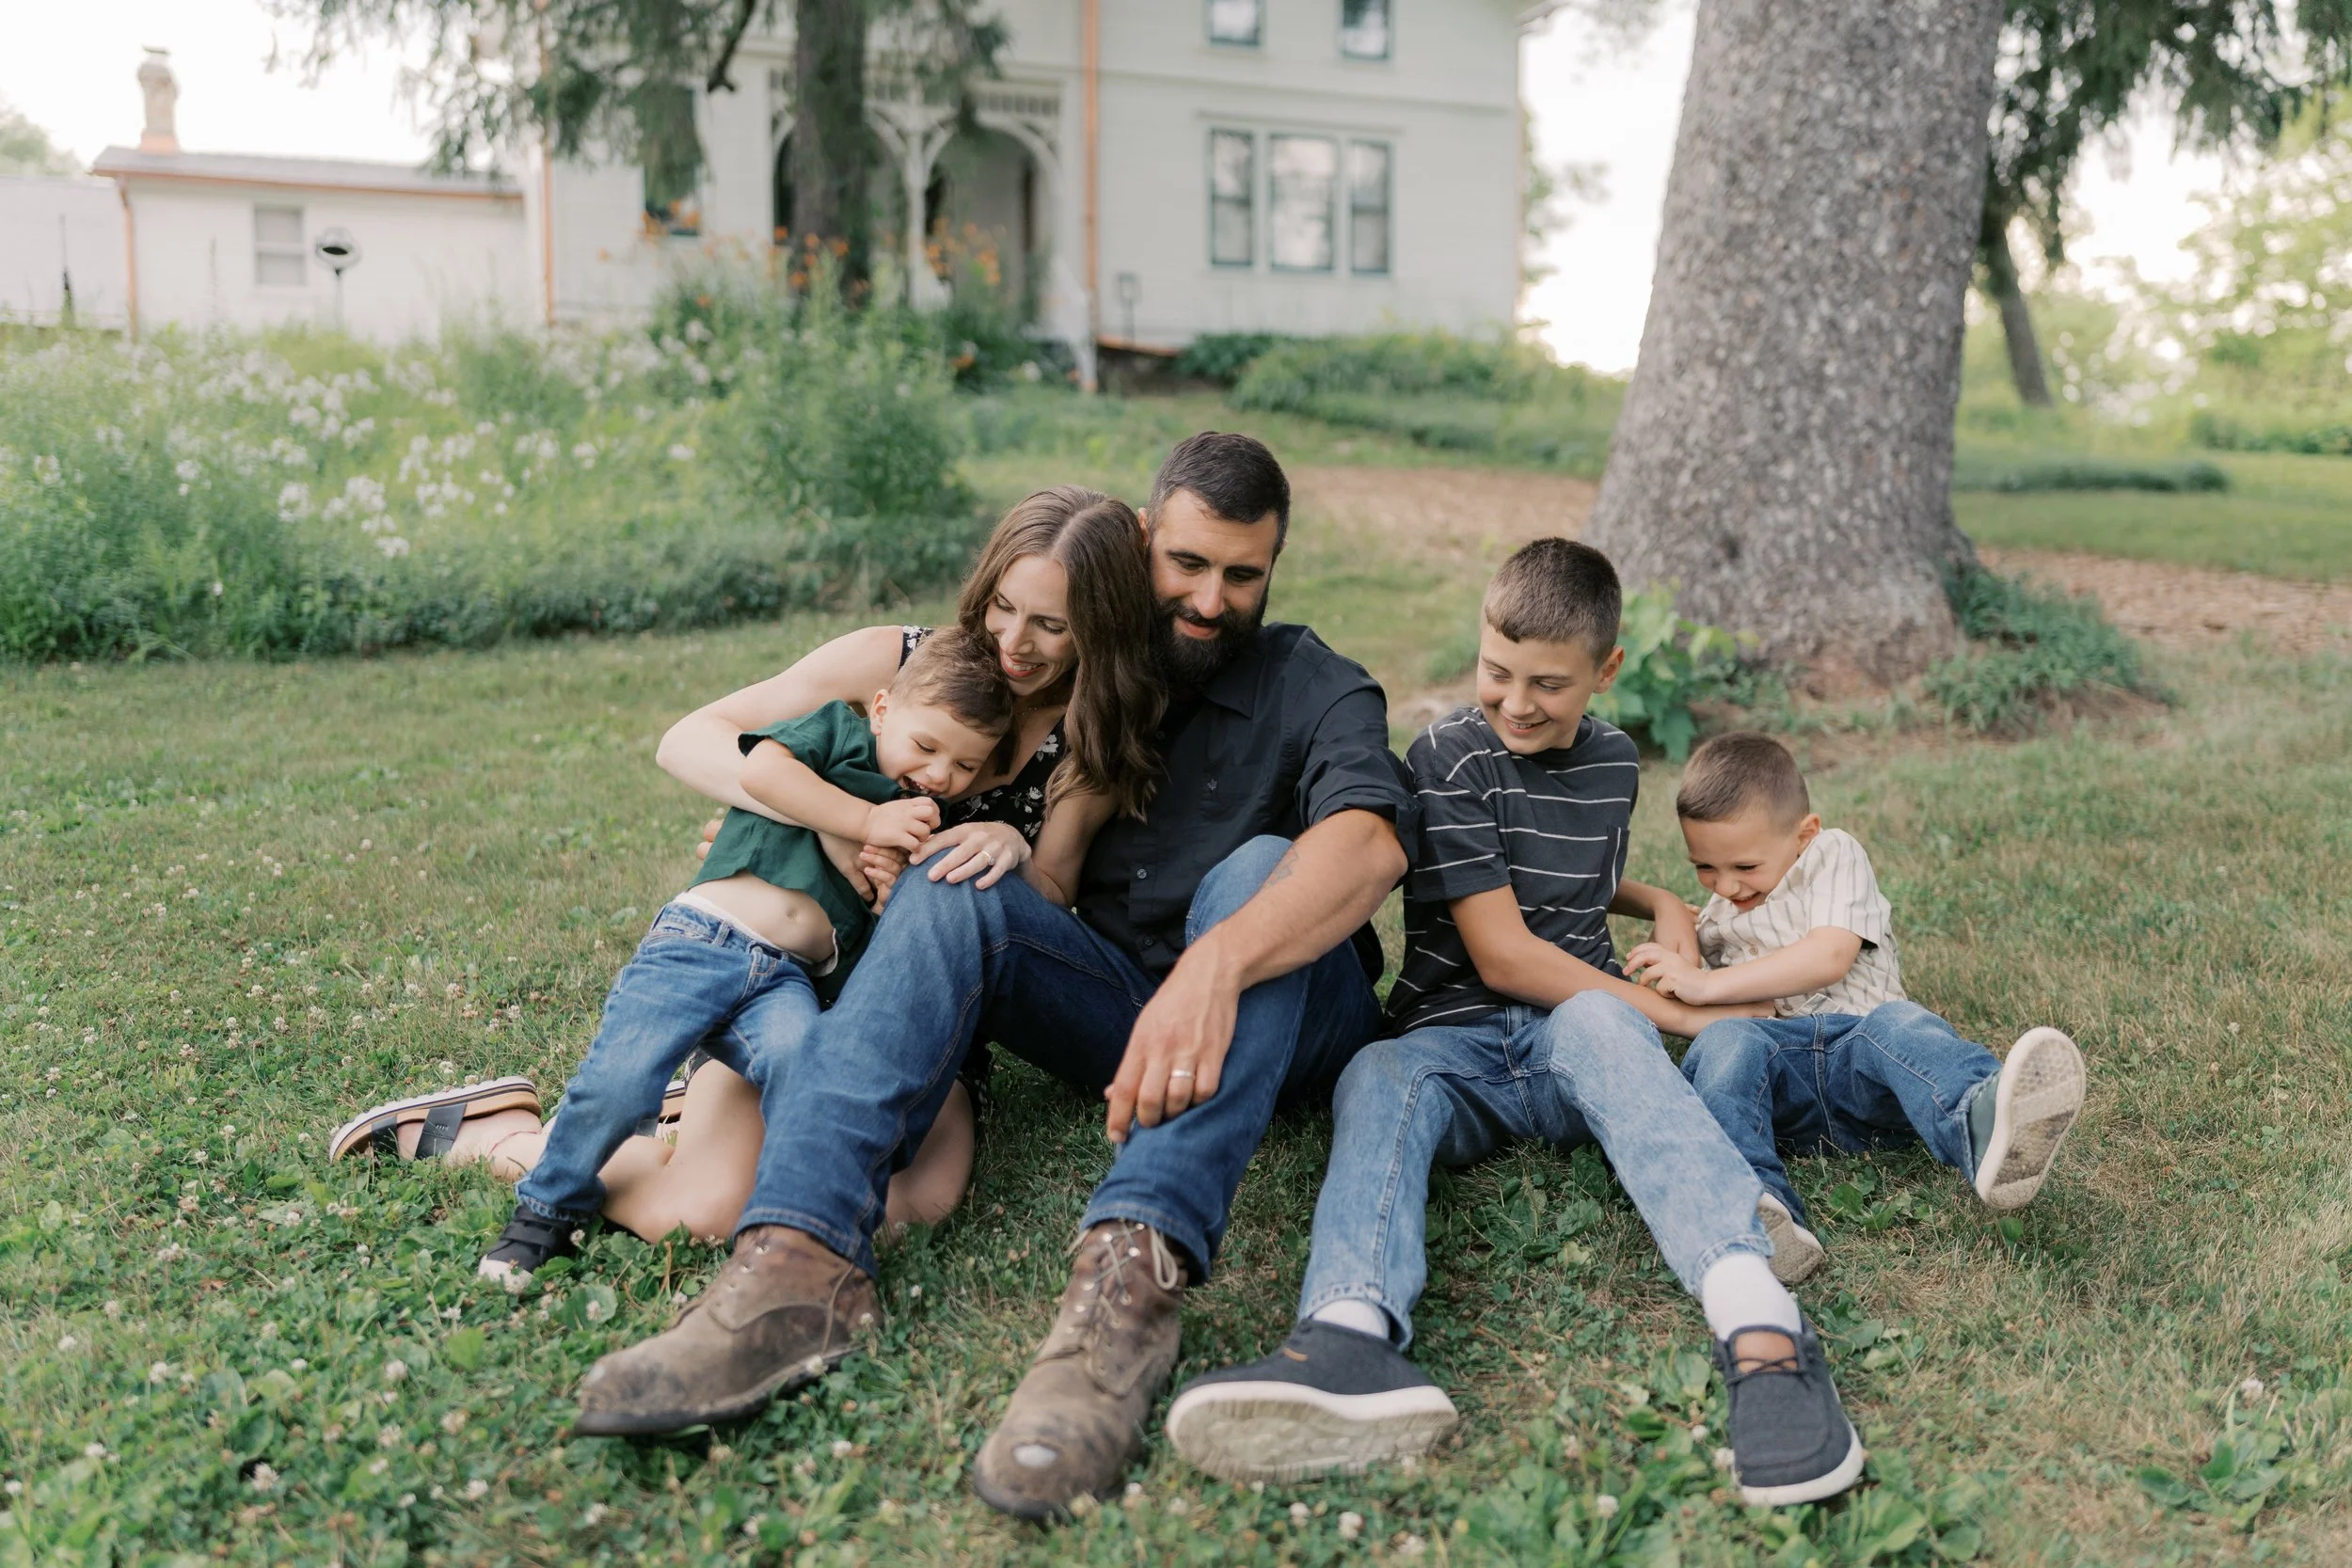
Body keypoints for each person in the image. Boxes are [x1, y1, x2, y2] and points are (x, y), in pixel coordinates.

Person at [564, 432, 1416, 1525]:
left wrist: (1221, 959)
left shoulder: (1313, 680)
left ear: (1273, 568)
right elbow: (790, 749)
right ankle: (796, 1263)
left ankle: (1121, 1300)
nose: (1210, 599)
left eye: (1242, 574)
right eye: (1188, 566)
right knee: (953, 869)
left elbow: (1369, 847)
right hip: (1115, 1006)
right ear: (1142, 543)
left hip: (1288, 1015)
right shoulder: (1073, 689)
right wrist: (946, 839)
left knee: (1257, 870)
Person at [1163, 539, 1867, 1509]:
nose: (1517, 701)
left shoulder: (1615, 760)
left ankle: (1759, 1319)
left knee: (1594, 1021)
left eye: (1548, 682)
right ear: (1478, 646)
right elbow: (1502, 953)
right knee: (1375, 1075)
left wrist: (1659, 899)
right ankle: (1348, 1332)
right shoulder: (1447, 753)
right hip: (1454, 1037)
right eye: (1497, 672)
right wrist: (1681, 1013)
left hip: (1575, 1037)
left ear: (1605, 672)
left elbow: (1564, 876)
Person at [326, 485, 1165, 1248]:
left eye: (1052, 626)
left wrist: (1015, 846)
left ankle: (680, 1115)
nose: (1015, 642)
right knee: (701, 1215)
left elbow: (1048, 899)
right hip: (781, 968)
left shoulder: (1088, 741)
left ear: (1099, 625)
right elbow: (691, 739)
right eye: (1003, 607)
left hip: (911, 1011)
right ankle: (493, 1135)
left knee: (903, 1211)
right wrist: (812, 825)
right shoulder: (897, 664)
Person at [1623, 730, 2087, 1283]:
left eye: (1745, 866)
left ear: (1804, 834)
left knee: (1898, 1024)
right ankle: (1754, 1206)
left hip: (1868, 1068)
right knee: (1726, 1044)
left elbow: (1829, 955)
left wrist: (1703, 985)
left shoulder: (1830, 855)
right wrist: (1674, 929)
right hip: (1785, 1091)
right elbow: (1735, 1013)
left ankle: (1981, 1124)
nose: (1727, 884)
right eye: (1705, 867)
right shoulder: (1717, 919)